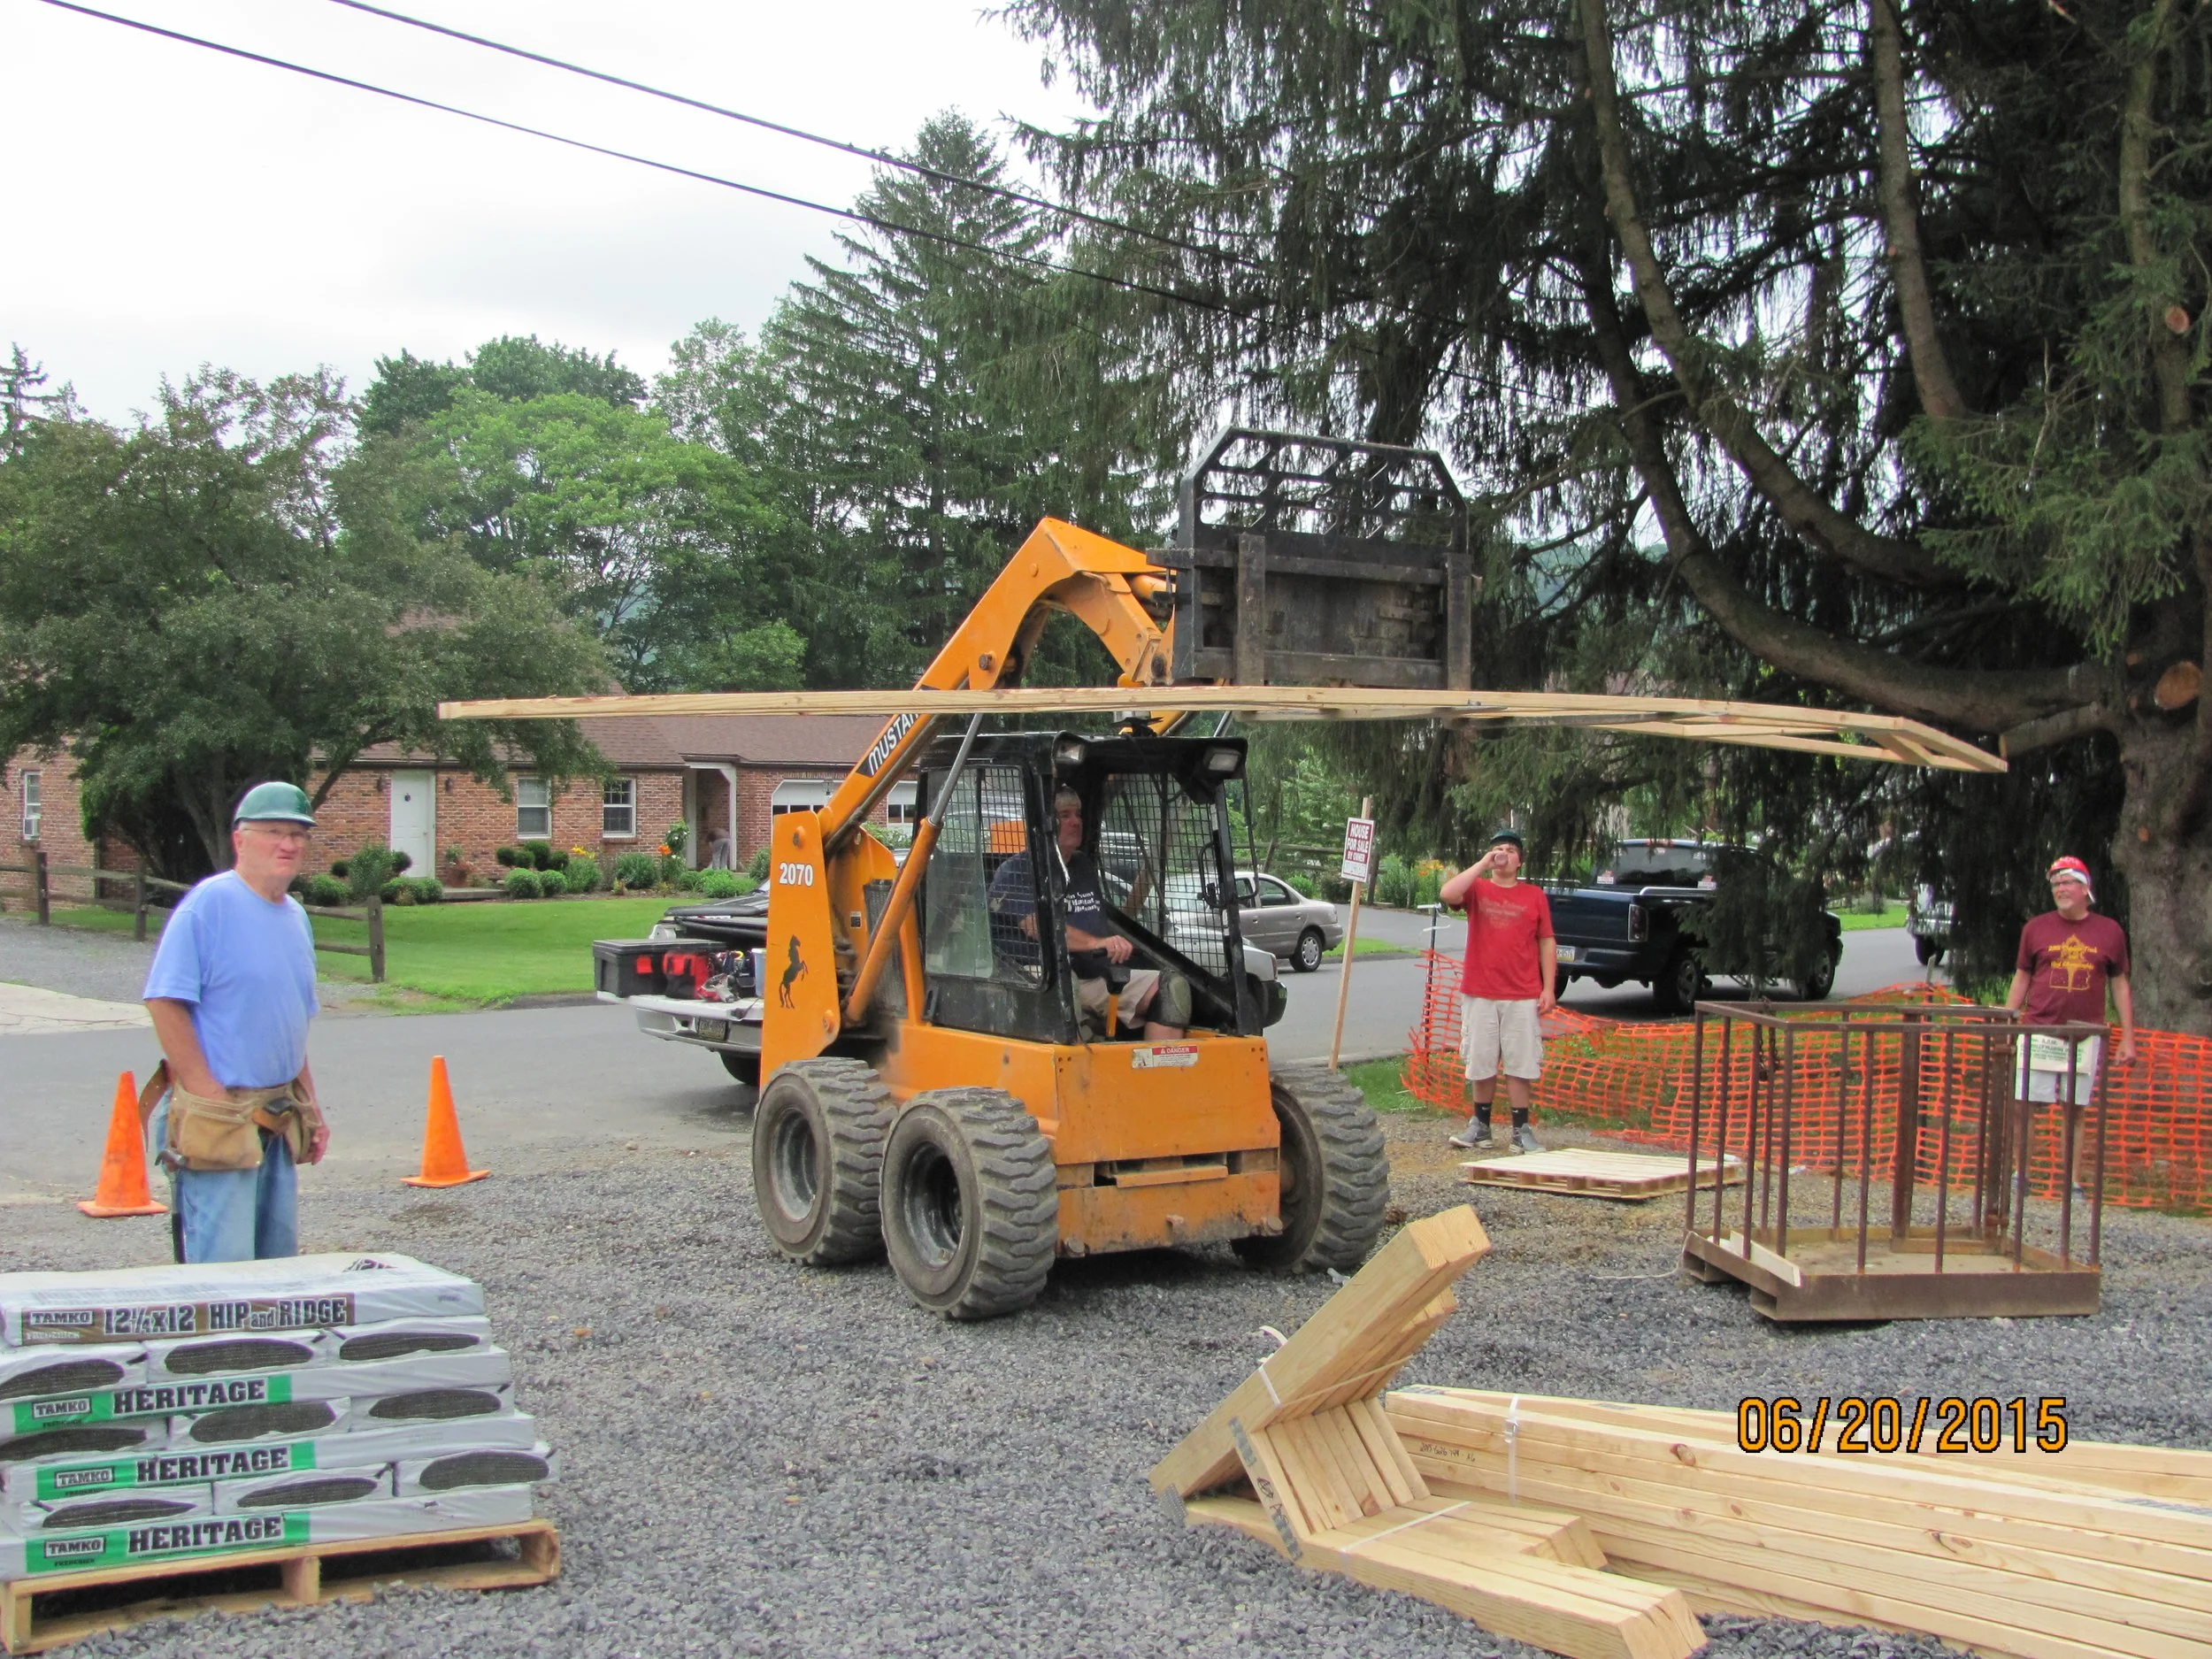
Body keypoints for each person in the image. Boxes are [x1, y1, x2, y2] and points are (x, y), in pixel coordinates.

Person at [142, 781, 328, 1263]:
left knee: (276, 1270)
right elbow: (165, 1000)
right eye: (274, 832)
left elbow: (289, 1021)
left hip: (278, 1115)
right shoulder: (211, 905)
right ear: (241, 839)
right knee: (222, 1278)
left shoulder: (296, 918)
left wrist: (310, 1107)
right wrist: (207, 1093)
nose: (288, 844)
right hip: (221, 1119)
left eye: (298, 834)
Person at [990, 787, 1190, 1040]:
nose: (1076, 821)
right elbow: (1041, 928)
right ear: (1045, 824)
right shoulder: (1015, 872)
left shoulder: (1083, 866)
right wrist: (1098, 943)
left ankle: (1161, 1074)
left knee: (1171, 991)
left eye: (1078, 814)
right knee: (1065, 989)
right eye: (1064, 815)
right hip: (1040, 978)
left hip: (1096, 976)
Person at [2004, 855, 2135, 1191]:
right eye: (2056, 884)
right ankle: (2022, 1175)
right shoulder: (2036, 928)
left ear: (2085, 888)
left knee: (2074, 1108)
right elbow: (2022, 976)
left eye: (2067, 882)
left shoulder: (2109, 931)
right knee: (2024, 1104)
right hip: (2038, 1029)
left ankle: (2071, 1181)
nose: (2060, 889)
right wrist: (2007, 1021)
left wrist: (2128, 1038)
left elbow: (2119, 983)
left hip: (2084, 1033)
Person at [1438, 828, 1556, 1153]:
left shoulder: (1534, 896)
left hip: (1521, 992)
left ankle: (1521, 1130)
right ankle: (1480, 1127)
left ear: (1520, 861)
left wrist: (1548, 987)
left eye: (1510, 850)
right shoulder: (1478, 888)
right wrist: (1482, 863)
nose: (1503, 854)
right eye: (1498, 849)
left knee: (1521, 1061)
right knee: (1481, 1059)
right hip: (1480, 991)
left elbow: (1547, 941)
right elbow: (1448, 893)